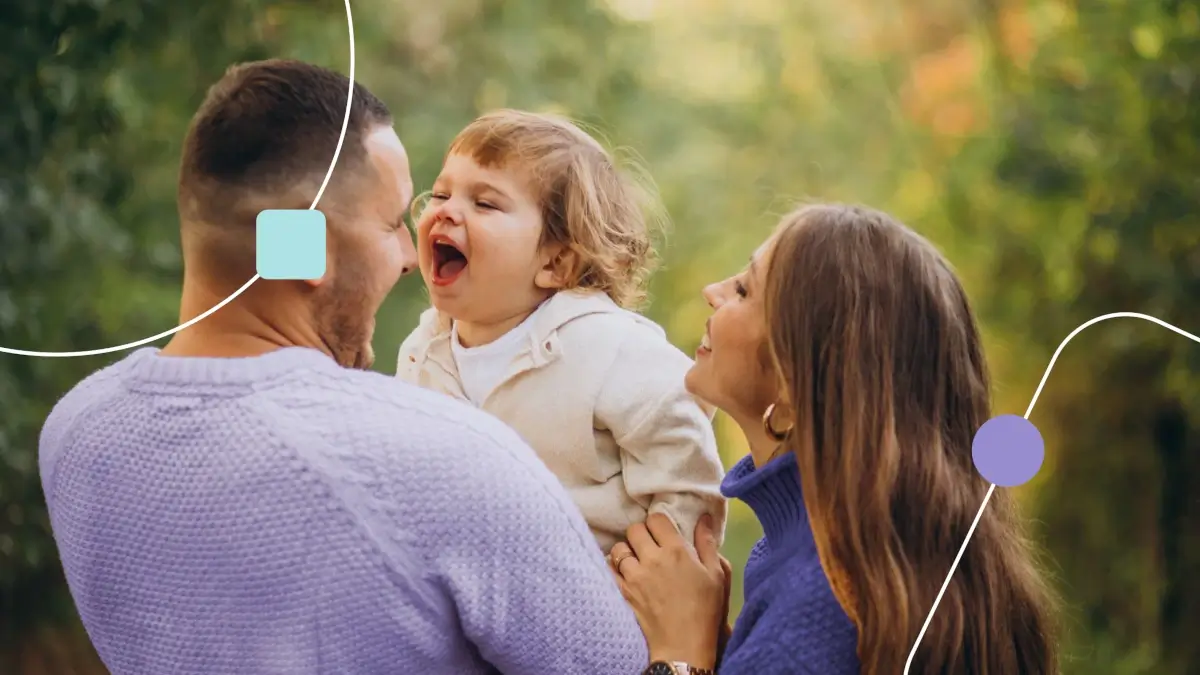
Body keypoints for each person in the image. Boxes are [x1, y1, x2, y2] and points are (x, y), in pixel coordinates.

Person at [37, 59, 648, 675]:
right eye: (391, 225)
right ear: (299, 247)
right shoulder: (450, 461)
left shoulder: (75, 433)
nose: (411, 255)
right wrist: (687, 656)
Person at [607, 204, 1060, 674]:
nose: (712, 292)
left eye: (743, 290)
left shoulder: (818, 604)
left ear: (792, 380)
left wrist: (681, 659)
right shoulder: (873, 554)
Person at [395, 109, 727, 553]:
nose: (446, 212)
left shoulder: (608, 347)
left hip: (591, 598)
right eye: (439, 194)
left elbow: (683, 457)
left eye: (485, 203)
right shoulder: (423, 352)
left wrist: (661, 572)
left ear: (555, 263)